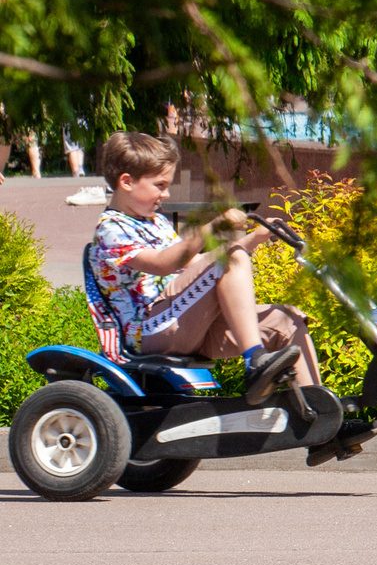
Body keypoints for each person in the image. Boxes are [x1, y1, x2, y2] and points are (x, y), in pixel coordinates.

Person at [85, 131, 317, 404]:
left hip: (182, 324)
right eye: (160, 185)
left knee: (285, 320)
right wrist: (213, 228)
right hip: (148, 331)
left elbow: (195, 267)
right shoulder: (111, 229)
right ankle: (255, 361)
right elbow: (164, 264)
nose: (166, 193)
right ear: (126, 182)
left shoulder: (156, 222)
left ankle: (323, 418)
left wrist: (254, 239)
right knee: (228, 259)